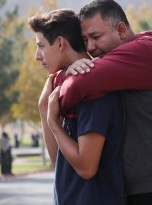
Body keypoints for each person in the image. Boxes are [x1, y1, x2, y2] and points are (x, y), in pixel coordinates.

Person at [57, 1, 152, 204]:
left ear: (120, 30)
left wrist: (58, 82)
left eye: (96, 37)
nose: (90, 47)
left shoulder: (145, 51)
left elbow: (79, 86)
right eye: (85, 40)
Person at [29, 9, 126, 205]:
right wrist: (45, 104)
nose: (37, 56)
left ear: (60, 43)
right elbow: (58, 162)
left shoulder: (92, 89)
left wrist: (54, 124)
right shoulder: (64, 88)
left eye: (41, 46)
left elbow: (86, 168)